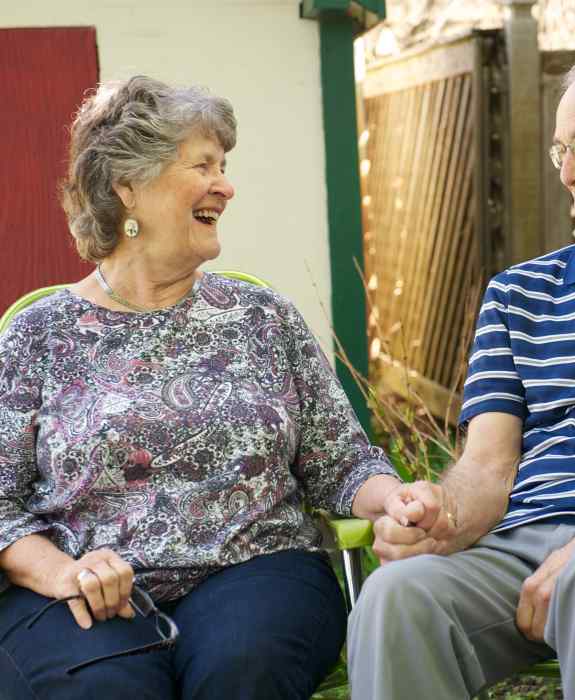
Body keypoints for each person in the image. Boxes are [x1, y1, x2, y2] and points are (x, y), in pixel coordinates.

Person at [0, 76, 402, 700]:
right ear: (126, 188)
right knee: (105, 689)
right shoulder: (37, 335)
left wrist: (392, 500)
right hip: (84, 586)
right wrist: (61, 573)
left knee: (242, 672)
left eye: (225, 165)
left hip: (258, 570)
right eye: (203, 165)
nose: (226, 184)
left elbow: (341, 463)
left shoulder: (262, 317)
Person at [347, 57, 575, 700]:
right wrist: (440, 518)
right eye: (562, 149)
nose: (567, 171)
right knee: (399, 594)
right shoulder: (519, 293)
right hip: (521, 555)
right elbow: (486, 468)